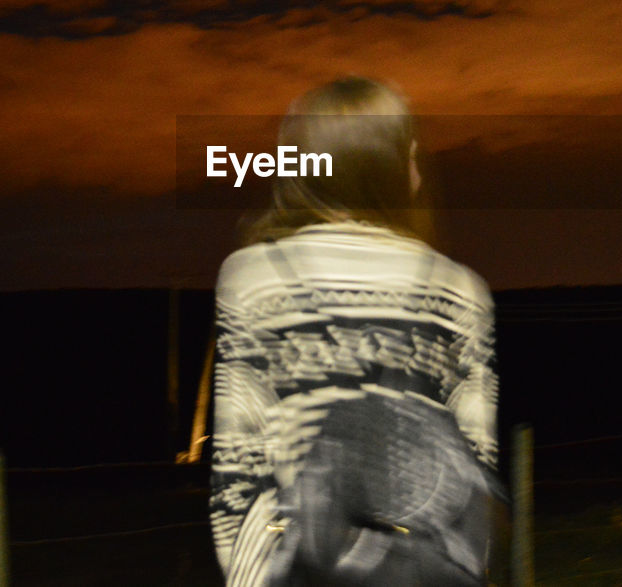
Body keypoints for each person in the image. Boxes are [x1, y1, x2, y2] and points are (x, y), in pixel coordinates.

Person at [209, 76, 501, 586]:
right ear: (389, 164)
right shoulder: (461, 292)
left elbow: (236, 479)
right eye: (408, 150)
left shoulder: (251, 279)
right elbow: (475, 474)